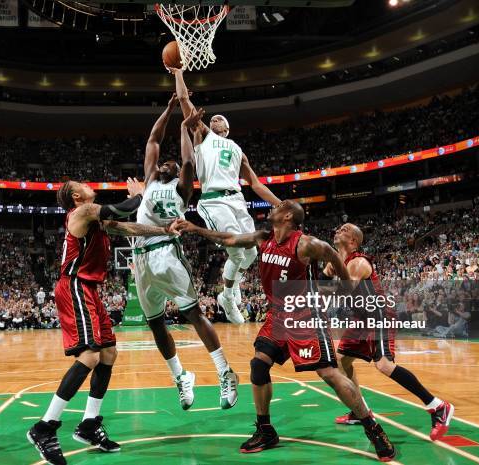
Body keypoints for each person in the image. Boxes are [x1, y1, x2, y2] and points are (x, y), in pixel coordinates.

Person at [174, 201, 396, 461]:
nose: (273, 207)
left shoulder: (305, 244)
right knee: (258, 366)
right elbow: (230, 238)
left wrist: (347, 285)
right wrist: (194, 228)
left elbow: (331, 253)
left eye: (280, 206)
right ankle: (266, 430)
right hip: (278, 314)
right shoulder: (263, 237)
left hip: (305, 315)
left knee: (328, 372)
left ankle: (372, 427)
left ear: (288, 216)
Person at [27, 178, 178, 465]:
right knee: (89, 356)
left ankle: (88, 424)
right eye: (82, 184)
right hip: (74, 286)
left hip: (91, 289)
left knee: (108, 353)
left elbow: (127, 226)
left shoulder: (95, 219)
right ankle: (44, 428)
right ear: (75, 195)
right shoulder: (81, 212)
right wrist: (141, 195)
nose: (88, 184)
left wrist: (163, 230)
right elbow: (121, 210)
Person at [133, 101, 238, 409]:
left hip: (167, 254)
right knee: (154, 323)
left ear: (178, 174)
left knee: (193, 314)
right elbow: (153, 140)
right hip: (140, 259)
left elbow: (189, 161)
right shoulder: (150, 180)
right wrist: (168, 110)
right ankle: (181, 376)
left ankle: (224, 372)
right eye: (163, 163)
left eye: (172, 165)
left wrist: (183, 128)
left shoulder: (182, 189)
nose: (166, 163)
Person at [168, 67, 281, 324]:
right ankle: (228, 297)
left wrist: (280, 203)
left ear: (228, 129)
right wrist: (178, 73)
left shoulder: (237, 149)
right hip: (214, 199)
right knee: (238, 252)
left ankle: (230, 290)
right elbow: (185, 101)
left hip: (237, 199)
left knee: (252, 253)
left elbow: (255, 183)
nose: (216, 118)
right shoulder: (203, 136)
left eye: (221, 119)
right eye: (213, 118)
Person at [329, 223, 454, 441]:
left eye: (345, 230)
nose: (339, 229)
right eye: (339, 228)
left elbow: (342, 293)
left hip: (378, 316)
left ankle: (437, 406)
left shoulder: (358, 262)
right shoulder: (343, 262)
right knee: (341, 362)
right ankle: (360, 412)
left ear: (353, 241)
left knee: (384, 364)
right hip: (361, 318)